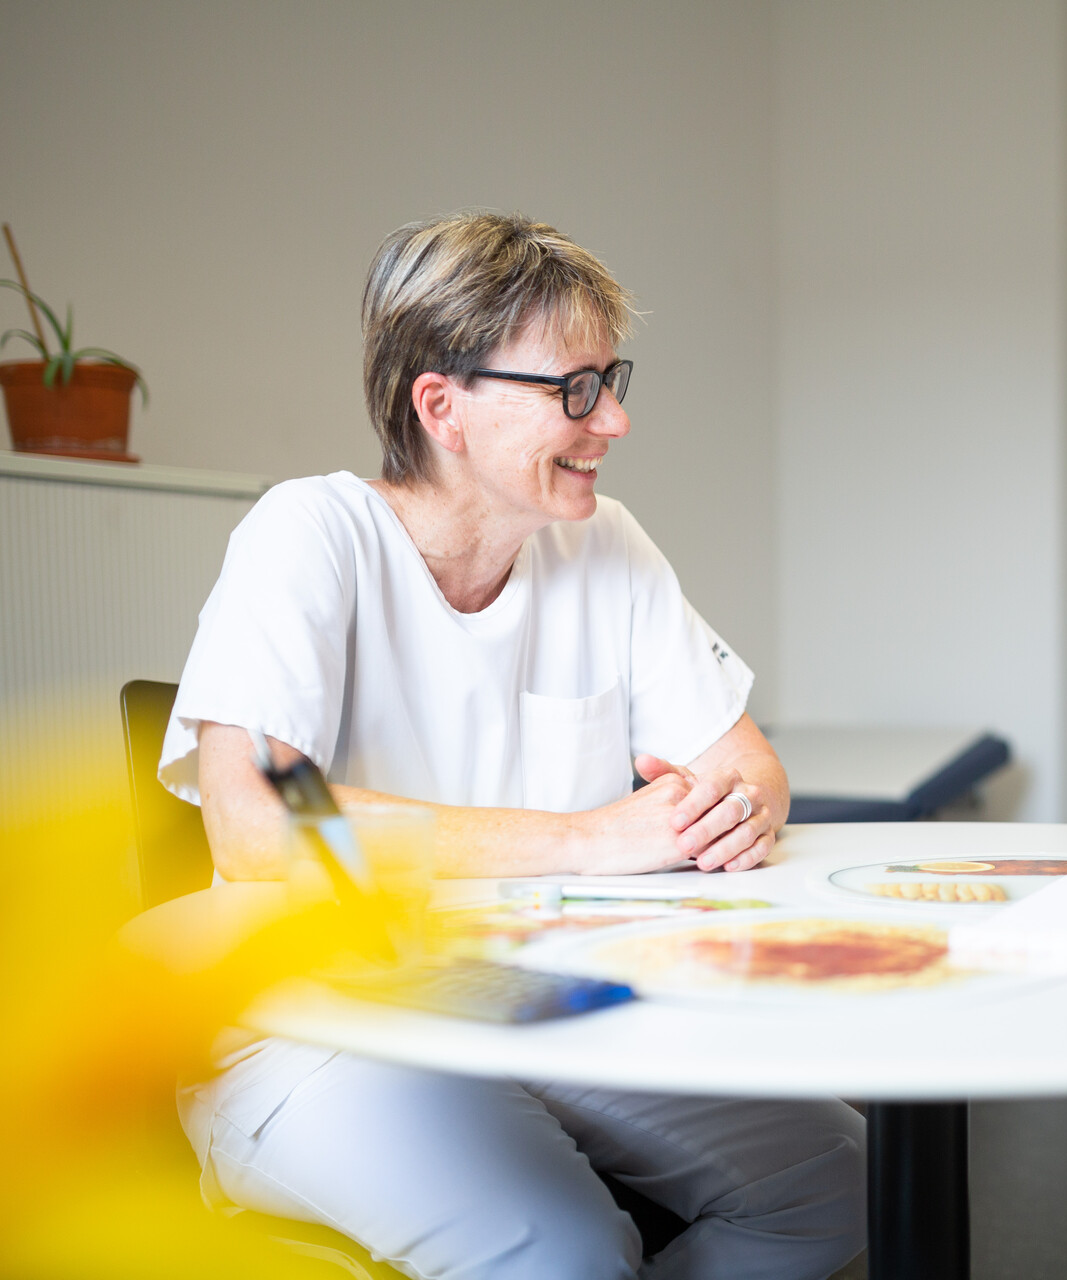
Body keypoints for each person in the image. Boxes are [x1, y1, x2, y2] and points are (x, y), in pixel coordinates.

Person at [157, 213, 864, 1279]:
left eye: (610, 380)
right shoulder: (309, 538)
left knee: (841, 1178)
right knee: (569, 1254)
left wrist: (735, 807)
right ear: (442, 405)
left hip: (550, 1002)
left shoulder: (605, 544)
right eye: (574, 390)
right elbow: (263, 825)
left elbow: (744, 763)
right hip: (323, 1025)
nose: (614, 419)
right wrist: (589, 838)